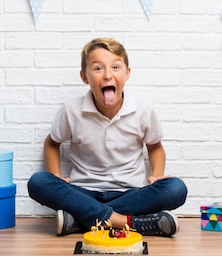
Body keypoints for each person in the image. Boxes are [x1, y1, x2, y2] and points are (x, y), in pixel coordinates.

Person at [27, 37, 187, 237]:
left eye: (116, 67)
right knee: (38, 182)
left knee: (176, 188)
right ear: (84, 76)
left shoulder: (143, 110)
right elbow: (52, 143)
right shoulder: (71, 110)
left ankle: (81, 220)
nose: (108, 75)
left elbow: (155, 146)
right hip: (82, 191)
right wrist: (56, 174)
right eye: (98, 68)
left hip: (131, 192)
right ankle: (128, 222)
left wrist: (157, 174)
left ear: (127, 73)